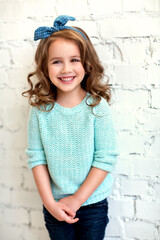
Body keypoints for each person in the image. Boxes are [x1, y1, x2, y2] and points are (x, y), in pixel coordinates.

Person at [23, 15, 119, 240]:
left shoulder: (97, 107)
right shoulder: (40, 110)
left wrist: (77, 199)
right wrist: (49, 203)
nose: (66, 69)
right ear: (45, 68)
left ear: (86, 63)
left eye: (74, 60)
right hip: (55, 204)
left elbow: (105, 158)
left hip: (92, 204)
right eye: (56, 61)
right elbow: (37, 158)